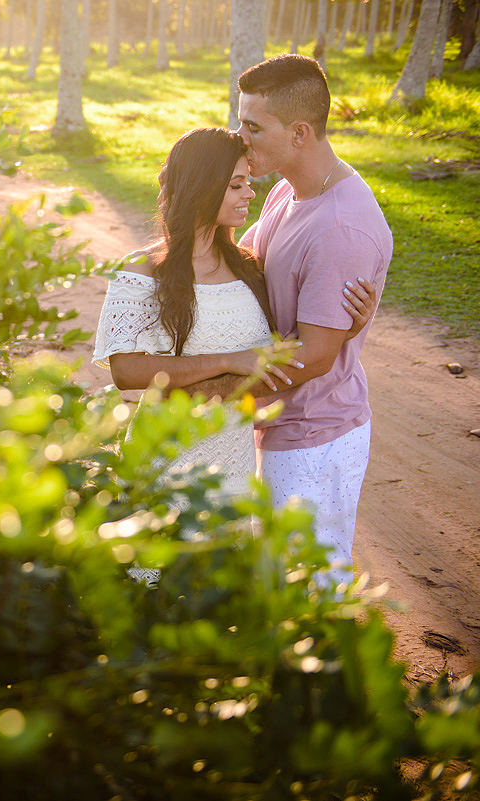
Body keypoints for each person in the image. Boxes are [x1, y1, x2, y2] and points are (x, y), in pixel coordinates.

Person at [91, 127, 375, 585]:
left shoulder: (249, 266)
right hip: (166, 459)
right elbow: (128, 371)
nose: (250, 193)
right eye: (236, 184)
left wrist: (344, 330)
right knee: (157, 590)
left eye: (249, 181)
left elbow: (285, 351)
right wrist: (229, 360)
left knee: (220, 600)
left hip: (235, 463)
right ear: (203, 184)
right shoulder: (142, 268)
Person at [182, 54, 392, 587]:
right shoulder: (287, 191)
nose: (240, 136)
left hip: (311, 437)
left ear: (299, 133)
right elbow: (241, 269)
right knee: (273, 584)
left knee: (310, 595)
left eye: (253, 126)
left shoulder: (341, 226)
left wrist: (219, 394)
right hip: (277, 426)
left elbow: (318, 356)